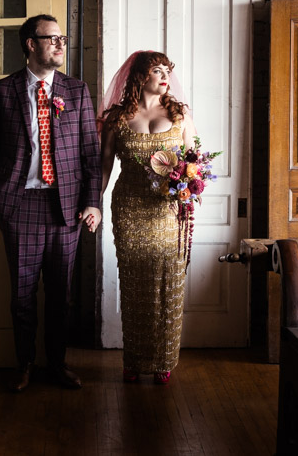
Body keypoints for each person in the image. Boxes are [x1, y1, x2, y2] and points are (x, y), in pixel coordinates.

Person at [0, 14, 102, 393]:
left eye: (63, 38)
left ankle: (58, 364)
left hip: (66, 208)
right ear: (31, 44)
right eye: (52, 39)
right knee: (22, 295)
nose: (61, 45)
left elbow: (90, 154)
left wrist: (93, 203)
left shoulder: (77, 91)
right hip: (19, 206)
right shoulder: (3, 91)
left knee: (60, 297)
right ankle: (24, 364)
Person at [99, 50, 197, 385]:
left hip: (168, 211)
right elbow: (103, 168)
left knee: (167, 282)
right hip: (129, 208)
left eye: (168, 70)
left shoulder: (180, 113)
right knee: (136, 282)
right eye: (158, 70)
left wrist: (189, 185)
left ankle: (164, 361)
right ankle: (135, 360)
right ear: (141, 76)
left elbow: (195, 160)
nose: (166, 76)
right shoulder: (116, 118)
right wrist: (93, 205)